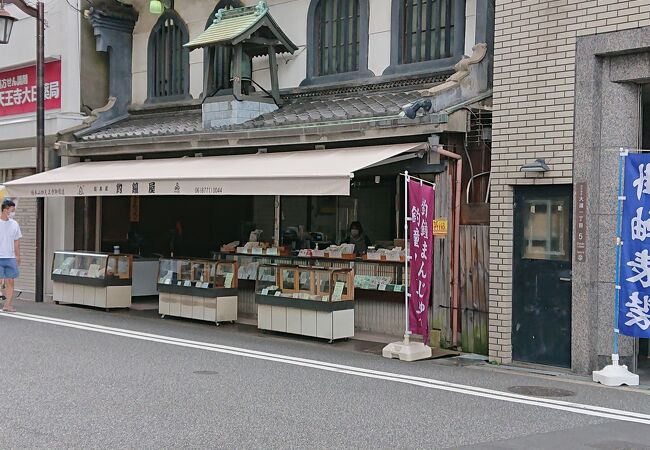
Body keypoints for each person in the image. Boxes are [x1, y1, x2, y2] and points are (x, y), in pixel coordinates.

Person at [0, 199, 21, 312]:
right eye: (12, 210)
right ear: (5, 210)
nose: (13, 212)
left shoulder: (14, 224)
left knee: (10, 281)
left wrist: (18, 256)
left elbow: (16, 241)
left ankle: (7, 305)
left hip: (10, 257)